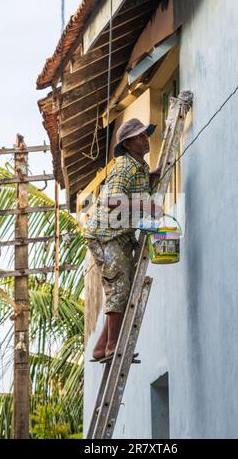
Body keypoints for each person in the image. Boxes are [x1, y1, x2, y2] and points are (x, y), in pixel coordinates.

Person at [84, 118, 162, 360]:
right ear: (127, 144)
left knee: (124, 291)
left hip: (121, 235)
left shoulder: (137, 167)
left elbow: (131, 190)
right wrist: (146, 206)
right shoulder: (123, 166)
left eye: (145, 135)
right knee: (118, 287)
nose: (145, 139)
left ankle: (100, 348)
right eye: (140, 136)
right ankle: (112, 347)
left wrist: (151, 177)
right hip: (107, 235)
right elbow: (112, 199)